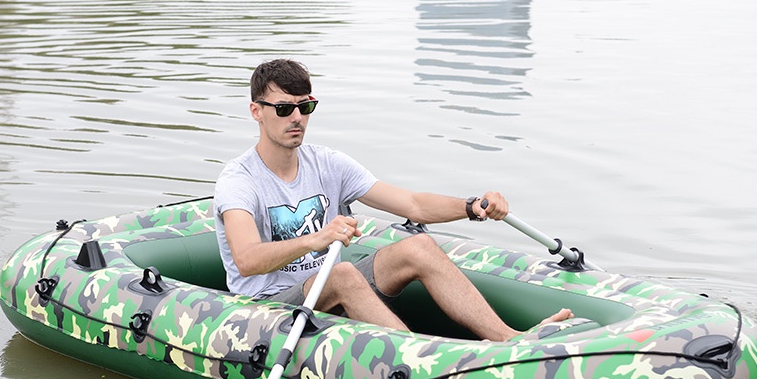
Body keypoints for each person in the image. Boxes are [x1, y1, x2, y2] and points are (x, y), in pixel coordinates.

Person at [214, 59, 571, 341]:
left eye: (305, 108)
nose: (296, 118)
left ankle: (508, 339)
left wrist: (471, 208)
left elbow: (412, 205)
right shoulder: (240, 180)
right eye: (283, 109)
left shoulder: (328, 163)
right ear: (256, 112)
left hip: (320, 290)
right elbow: (246, 260)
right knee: (341, 275)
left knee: (417, 246)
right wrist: (317, 238)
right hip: (263, 309)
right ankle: (421, 362)